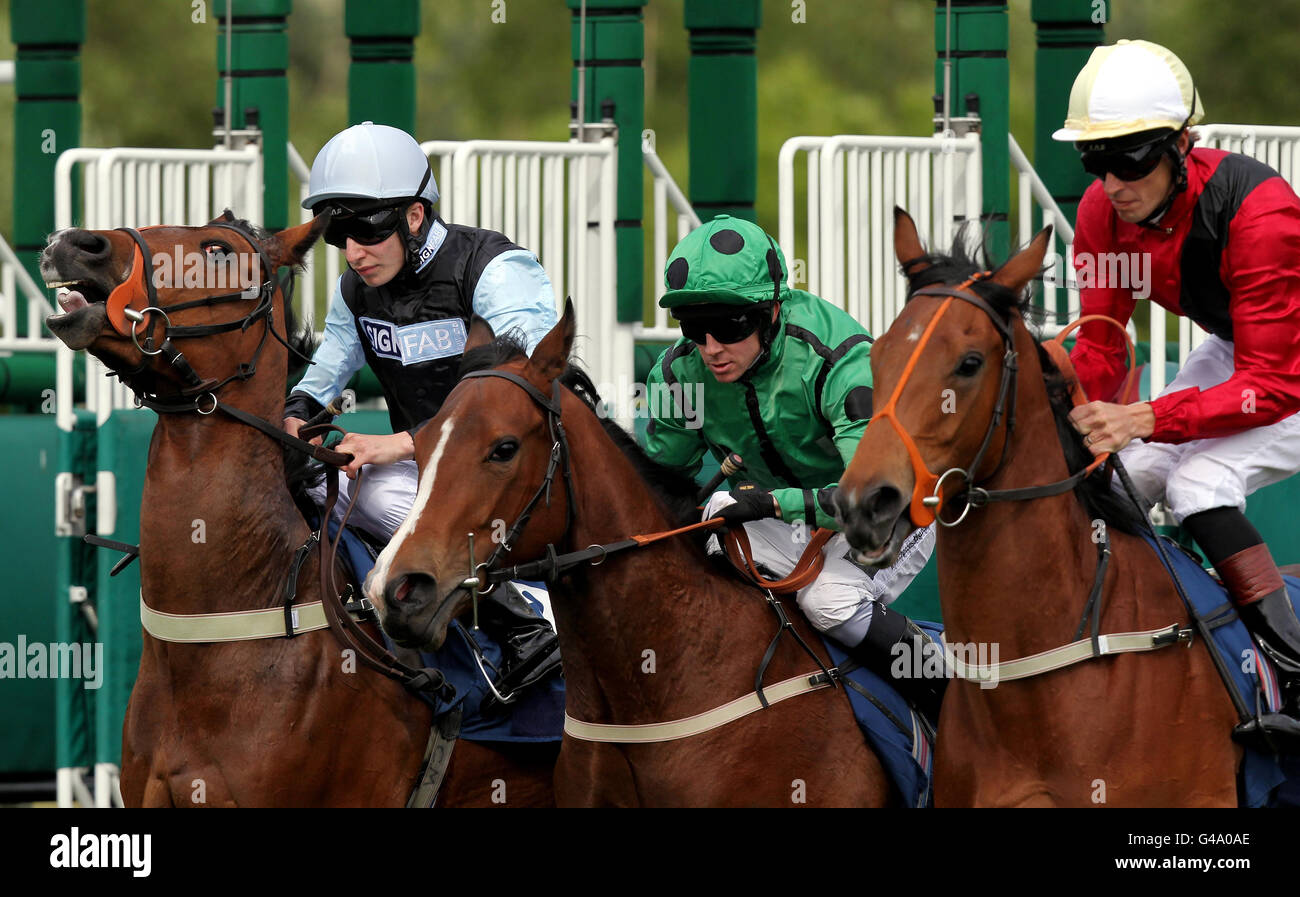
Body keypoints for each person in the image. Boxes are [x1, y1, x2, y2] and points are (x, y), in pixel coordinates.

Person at [1053, 40, 1300, 746]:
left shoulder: (1261, 211)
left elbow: (1276, 384)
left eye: (1131, 157)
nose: (1113, 182)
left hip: (1288, 367)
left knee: (1198, 484)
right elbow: (1100, 343)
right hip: (1242, 348)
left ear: (1182, 144)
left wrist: (1148, 413)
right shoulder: (1104, 211)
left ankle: (1296, 673)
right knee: (1126, 476)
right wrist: (1085, 425)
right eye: (1095, 161)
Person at [283, 121, 559, 694]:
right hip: (436, 474)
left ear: (414, 216)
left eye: (366, 230)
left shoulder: (494, 269)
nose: (353, 253)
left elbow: (522, 394)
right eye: (339, 236)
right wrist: (295, 423)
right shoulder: (355, 290)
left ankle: (528, 624)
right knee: (310, 474)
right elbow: (320, 378)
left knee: (379, 487)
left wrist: (398, 444)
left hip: (518, 471)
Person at [643, 214, 942, 720]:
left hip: (888, 514)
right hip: (776, 518)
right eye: (695, 328)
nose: (712, 348)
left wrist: (772, 501)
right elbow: (656, 482)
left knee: (829, 602)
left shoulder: (837, 358)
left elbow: (870, 498)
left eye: (731, 326)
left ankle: (953, 697)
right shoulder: (679, 375)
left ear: (772, 309)